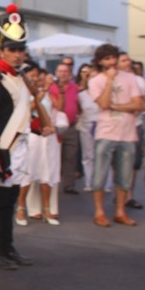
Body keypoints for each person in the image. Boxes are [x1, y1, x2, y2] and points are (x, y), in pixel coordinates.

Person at [0, 4, 44, 269]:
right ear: (1, 50)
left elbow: (23, 113)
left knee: (10, 200)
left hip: (19, 147)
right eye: (12, 49)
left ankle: (7, 246)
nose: (18, 55)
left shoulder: (20, 79)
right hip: (4, 148)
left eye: (20, 49)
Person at [87, 44, 145, 227]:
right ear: (100, 61)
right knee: (99, 176)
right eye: (106, 59)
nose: (111, 62)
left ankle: (120, 211)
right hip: (106, 133)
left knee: (125, 176)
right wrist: (110, 81)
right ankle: (99, 212)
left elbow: (138, 104)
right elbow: (103, 103)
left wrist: (117, 106)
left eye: (113, 57)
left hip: (127, 134)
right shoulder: (95, 80)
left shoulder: (130, 78)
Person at [22, 67, 62, 225]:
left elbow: (58, 107)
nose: (37, 78)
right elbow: (30, 108)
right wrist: (44, 89)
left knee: (47, 172)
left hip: (47, 134)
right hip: (31, 134)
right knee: (29, 173)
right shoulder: (27, 92)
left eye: (38, 75)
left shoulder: (46, 92)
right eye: (33, 76)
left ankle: (47, 208)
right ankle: (24, 208)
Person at [119, 52, 145, 210]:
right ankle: (120, 194)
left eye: (128, 59)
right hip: (118, 126)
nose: (127, 63)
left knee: (134, 163)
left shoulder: (139, 81)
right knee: (119, 162)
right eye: (123, 60)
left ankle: (129, 195)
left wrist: (138, 109)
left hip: (136, 125)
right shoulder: (113, 80)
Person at [50, 58, 80, 194]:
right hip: (56, 126)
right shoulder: (51, 87)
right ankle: (53, 182)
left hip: (71, 125)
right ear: (56, 73)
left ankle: (69, 184)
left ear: (70, 73)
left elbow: (77, 103)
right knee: (56, 156)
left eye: (65, 71)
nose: (63, 74)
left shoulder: (74, 87)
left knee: (70, 156)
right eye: (60, 71)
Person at [76, 64, 98, 191]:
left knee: (103, 155)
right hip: (86, 125)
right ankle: (89, 182)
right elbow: (79, 110)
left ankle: (105, 183)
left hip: (103, 125)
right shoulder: (82, 94)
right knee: (88, 155)